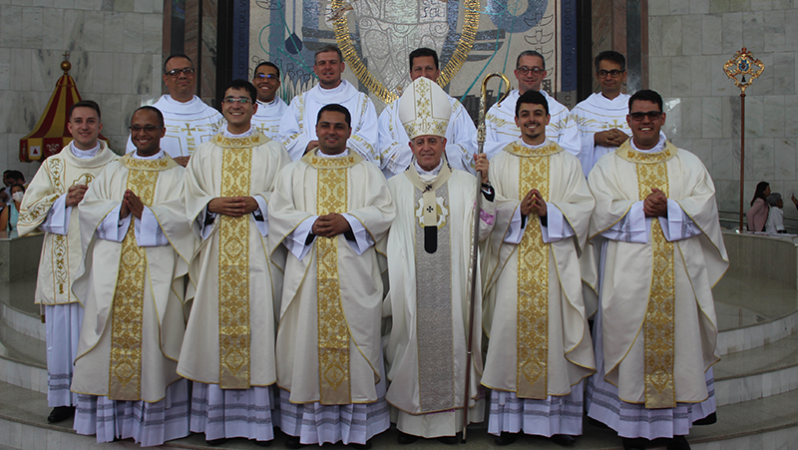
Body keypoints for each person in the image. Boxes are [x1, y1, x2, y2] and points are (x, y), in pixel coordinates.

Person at [584, 90, 728, 450]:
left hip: (679, 278)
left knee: (679, 349)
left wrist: (671, 208)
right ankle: (631, 430)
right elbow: (596, 210)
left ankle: (676, 430)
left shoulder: (688, 164)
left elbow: (706, 206)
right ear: (628, 120)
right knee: (630, 352)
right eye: (638, 116)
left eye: (652, 115)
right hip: (628, 280)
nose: (645, 121)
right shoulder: (609, 166)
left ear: (663, 118)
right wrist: (639, 210)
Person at [269, 104, 395, 449]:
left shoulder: (369, 172)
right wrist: (309, 224)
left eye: (339, 127)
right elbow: (278, 213)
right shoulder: (293, 172)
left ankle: (357, 430)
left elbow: (385, 212)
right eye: (325, 126)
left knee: (358, 343)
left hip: (354, 275)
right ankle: (307, 429)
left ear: (350, 131)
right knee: (306, 343)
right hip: (308, 276)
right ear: (316, 129)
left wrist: (349, 221)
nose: (331, 132)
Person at [70, 106, 195, 446]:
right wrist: (118, 212)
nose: (142, 134)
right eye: (136, 128)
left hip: (156, 275)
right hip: (113, 273)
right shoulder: (113, 170)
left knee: (154, 341)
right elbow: (88, 211)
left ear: (162, 131)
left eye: (149, 128)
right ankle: (110, 422)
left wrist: (149, 215)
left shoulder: (177, 175)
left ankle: (153, 425)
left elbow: (186, 219)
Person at [178, 79, 291, 446]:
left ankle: (261, 421)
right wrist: (210, 205)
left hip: (260, 253)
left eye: (244, 100)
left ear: (256, 108)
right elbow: (188, 196)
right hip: (215, 252)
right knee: (215, 324)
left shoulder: (274, 152)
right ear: (222, 106)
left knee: (261, 322)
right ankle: (217, 420)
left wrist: (260, 202)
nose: (237, 105)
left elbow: (289, 196)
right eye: (230, 100)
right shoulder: (205, 151)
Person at [480, 90, 596, 447]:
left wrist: (550, 212)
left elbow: (584, 208)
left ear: (548, 119)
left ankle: (557, 423)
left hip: (555, 265)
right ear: (515, 121)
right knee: (508, 334)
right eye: (525, 114)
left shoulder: (567, 162)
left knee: (556, 335)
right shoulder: (499, 161)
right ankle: (508, 423)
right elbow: (487, 211)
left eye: (538, 114)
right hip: (511, 264)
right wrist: (515, 209)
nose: (531, 119)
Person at [382, 77, 495, 444]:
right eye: (420, 141)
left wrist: (486, 185)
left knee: (454, 338)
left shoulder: (466, 183)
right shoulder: (395, 188)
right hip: (411, 286)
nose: (426, 147)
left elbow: (483, 230)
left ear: (444, 143)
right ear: (410, 145)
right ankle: (411, 420)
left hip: (453, 289)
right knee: (409, 340)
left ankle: (450, 423)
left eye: (433, 140)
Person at [17, 100, 118, 424]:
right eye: (79, 121)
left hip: (101, 264)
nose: (85, 126)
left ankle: (96, 397)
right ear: (70, 127)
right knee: (61, 338)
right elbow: (27, 215)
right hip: (62, 265)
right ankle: (63, 400)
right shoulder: (53, 166)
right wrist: (64, 200)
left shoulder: (117, 165)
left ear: (100, 126)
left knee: (99, 334)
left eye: (91, 121)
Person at [377, 48, 478, 178]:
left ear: (438, 73)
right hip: (405, 182)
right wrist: (420, 156)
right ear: (411, 74)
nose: (423, 75)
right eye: (418, 69)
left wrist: (440, 155)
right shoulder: (391, 111)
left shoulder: (455, 108)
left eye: (429, 69)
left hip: (446, 180)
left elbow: (469, 146)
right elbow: (382, 148)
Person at [279, 45, 379, 162]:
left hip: (349, 169)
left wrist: (334, 148)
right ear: (315, 69)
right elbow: (285, 136)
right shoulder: (299, 102)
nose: (327, 67)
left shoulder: (362, 102)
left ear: (342, 67)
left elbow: (370, 139)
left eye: (332, 62)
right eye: (322, 63)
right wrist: (307, 145)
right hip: (309, 168)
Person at [126, 54, 224, 167]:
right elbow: (132, 161)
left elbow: (225, 157)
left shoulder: (214, 117)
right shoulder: (150, 117)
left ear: (194, 75)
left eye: (187, 71)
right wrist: (169, 165)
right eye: (175, 73)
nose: (182, 76)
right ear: (166, 79)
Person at [484, 50, 580, 160]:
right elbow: (484, 147)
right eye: (524, 70)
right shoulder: (497, 111)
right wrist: (519, 147)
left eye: (535, 70)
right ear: (516, 73)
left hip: (548, 174)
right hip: (509, 173)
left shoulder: (560, 112)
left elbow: (573, 150)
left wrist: (537, 149)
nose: (529, 75)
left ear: (543, 74)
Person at [570, 51, 631, 176]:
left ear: (623, 75)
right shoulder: (581, 110)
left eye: (614, 73)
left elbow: (654, 142)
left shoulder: (636, 108)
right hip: (594, 179)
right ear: (597, 76)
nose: (608, 78)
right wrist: (594, 139)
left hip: (629, 177)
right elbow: (568, 147)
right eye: (603, 73)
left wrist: (629, 142)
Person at [251, 61, 288, 139]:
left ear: (278, 84)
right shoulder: (242, 111)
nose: (265, 81)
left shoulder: (288, 114)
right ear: (253, 82)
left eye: (271, 77)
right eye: (260, 76)